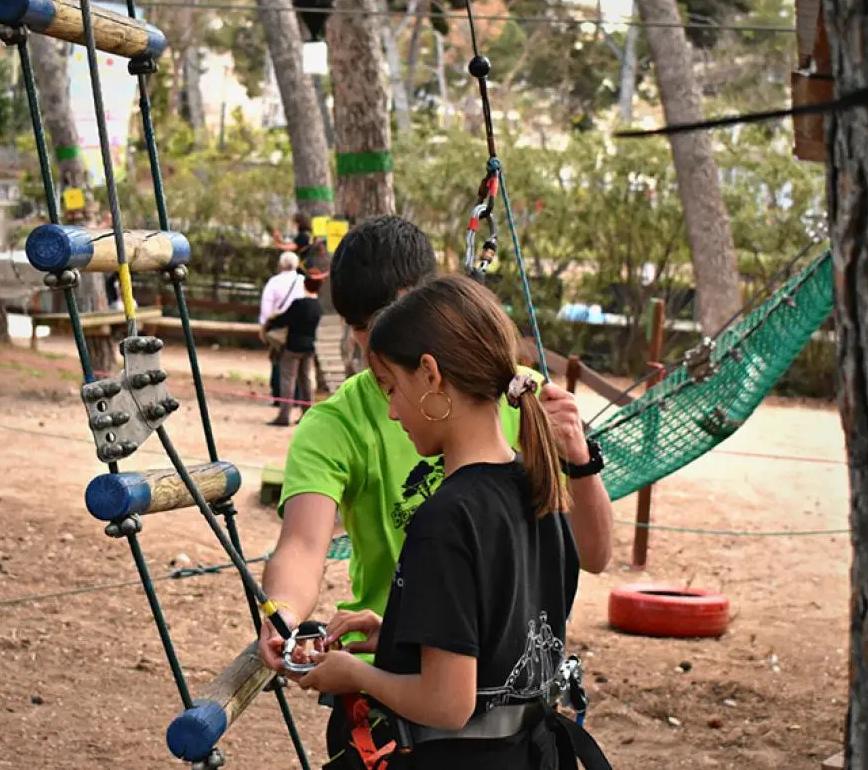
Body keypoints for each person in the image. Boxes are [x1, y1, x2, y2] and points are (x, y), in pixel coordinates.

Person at [258, 216, 612, 754]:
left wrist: (582, 465)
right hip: (449, 706)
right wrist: (284, 612)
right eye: (357, 325)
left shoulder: (518, 415)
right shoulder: (338, 422)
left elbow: (588, 554)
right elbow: (304, 544)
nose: (370, 340)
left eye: (386, 319)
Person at [264, 272, 326, 427]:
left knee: (287, 380)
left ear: (305, 285)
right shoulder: (319, 307)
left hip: (293, 347)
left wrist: (270, 323)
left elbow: (283, 319)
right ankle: (307, 413)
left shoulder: (298, 304)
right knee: (306, 381)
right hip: (309, 347)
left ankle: (284, 415)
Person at [259, 251, 305, 406]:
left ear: (281, 265)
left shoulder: (274, 282)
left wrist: (264, 327)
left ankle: (280, 397)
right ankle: (298, 398)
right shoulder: (302, 281)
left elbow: (266, 307)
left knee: (279, 361)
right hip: (300, 327)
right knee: (300, 366)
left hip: (279, 327)